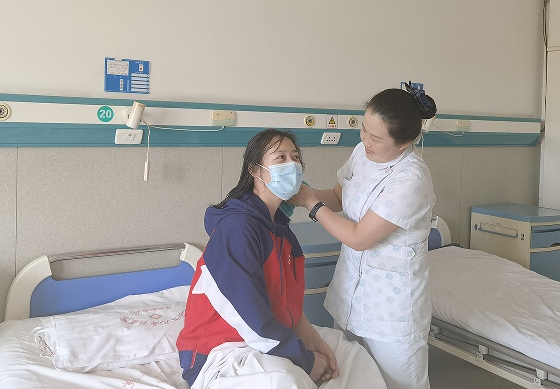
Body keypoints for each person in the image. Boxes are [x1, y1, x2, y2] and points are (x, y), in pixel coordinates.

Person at [290, 85, 437, 389]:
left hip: (391, 312)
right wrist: (297, 192)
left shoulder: (411, 177)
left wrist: (311, 205)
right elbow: (337, 196)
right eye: (363, 130)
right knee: (351, 381)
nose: (366, 141)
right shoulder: (362, 154)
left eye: (376, 138)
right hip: (352, 298)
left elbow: (359, 237)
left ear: (404, 142)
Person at [177, 129, 339, 388]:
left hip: (269, 341)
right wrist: (306, 360)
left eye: (296, 157)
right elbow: (248, 317)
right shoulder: (237, 229)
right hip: (221, 351)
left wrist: (313, 341)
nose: (292, 164)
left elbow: (288, 305)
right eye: (281, 157)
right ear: (255, 169)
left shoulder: (282, 233)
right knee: (286, 381)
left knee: (350, 357)